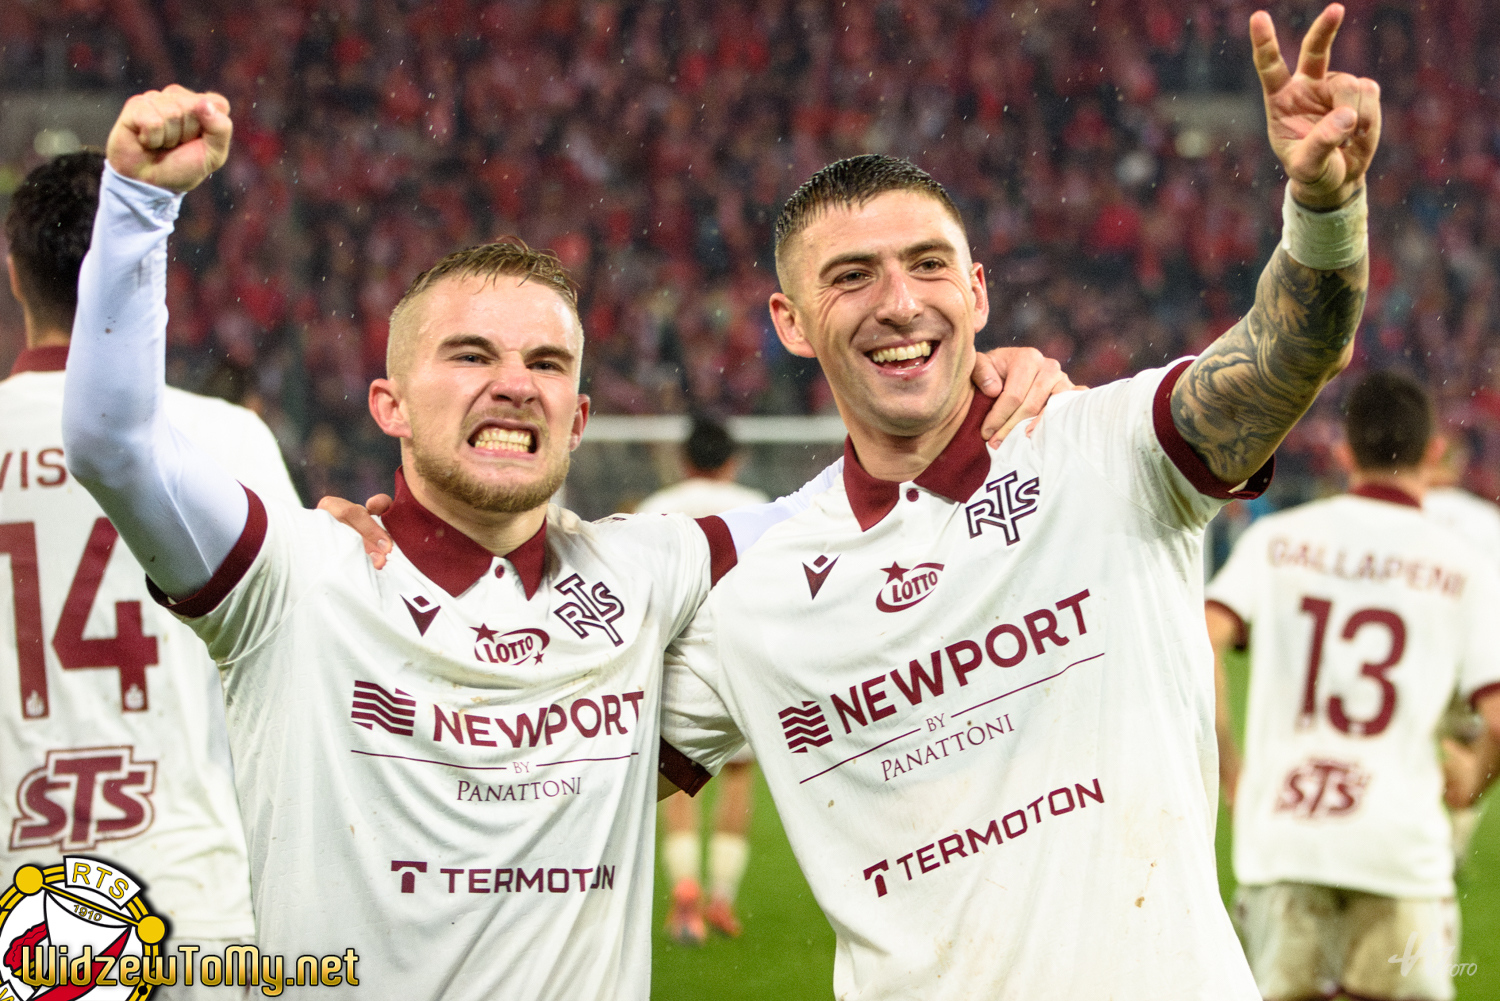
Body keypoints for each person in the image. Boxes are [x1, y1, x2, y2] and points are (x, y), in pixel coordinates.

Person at [60, 85, 1070, 998]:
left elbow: (871, 486)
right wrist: (139, 203)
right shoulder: (298, 574)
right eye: (471, 355)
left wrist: (978, 385)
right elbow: (114, 442)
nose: (515, 384)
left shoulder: (649, 570)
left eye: (546, 363)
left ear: (579, 416)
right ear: (389, 405)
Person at [659, 5, 1389, 997]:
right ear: (789, 322)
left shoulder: (1106, 449)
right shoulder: (761, 591)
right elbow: (562, 778)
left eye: (927, 264)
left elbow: (1291, 354)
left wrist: (1325, 208)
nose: (900, 303)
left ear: (978, 290)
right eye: (851, 276)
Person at [0, 151, 300, 992]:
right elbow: (293, 665)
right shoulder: (228, 438)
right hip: (192, 895)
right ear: (142, 267)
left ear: (13, 271)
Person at [1206, 370, 1500, 1001]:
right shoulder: (1466, 568)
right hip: (1400, 847)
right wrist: (1473, 776)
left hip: (1286, 835)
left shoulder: (1276, 541)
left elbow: (1201, 638)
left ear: (1342, 452)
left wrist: (1228, 766)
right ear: (1432, 452)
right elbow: (1497, 717)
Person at [637, 417, 768, 942]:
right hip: (738, 661)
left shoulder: (655, 509)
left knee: (678, 778)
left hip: (671, 664)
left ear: (684, 460)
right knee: (737, 779)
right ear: (733, 461)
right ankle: (721, 898)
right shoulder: (758, 506)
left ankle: (685, 892)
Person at [1421, 436, 1500, 867]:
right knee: (1469, 747)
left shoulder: (1412, 511)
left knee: (1411, 743)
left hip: (1418, 649)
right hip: (1474, 655)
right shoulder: (1486, 519)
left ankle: (1420, 833)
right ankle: (1455, 839)